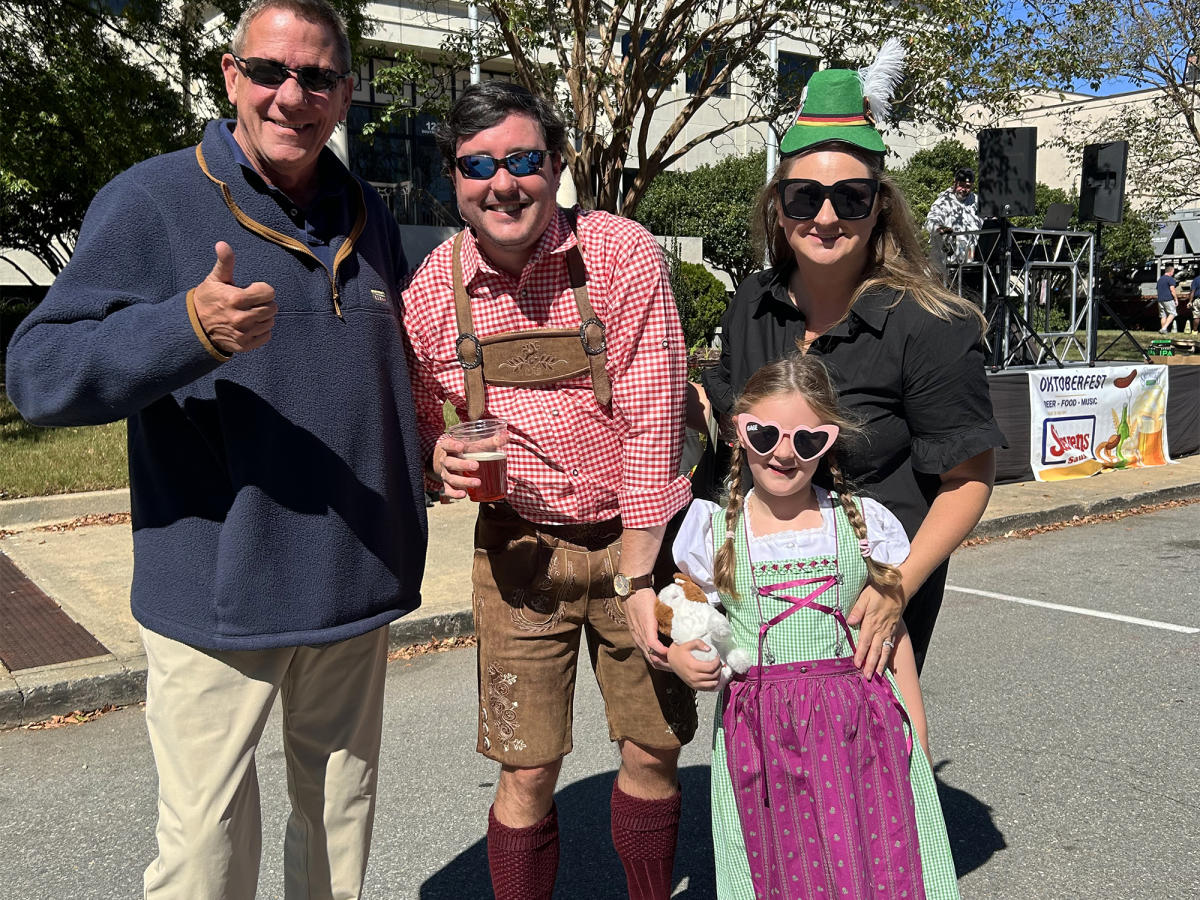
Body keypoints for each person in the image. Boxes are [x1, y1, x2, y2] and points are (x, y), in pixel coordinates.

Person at [4, 2, 426, 897]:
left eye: (316, 77)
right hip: (217, 600)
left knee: (337, 848)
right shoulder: (151, 199)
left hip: (355, 585)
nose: (290, 96)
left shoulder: (366, 212)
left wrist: (433, 459)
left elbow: (391, 378)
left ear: (344, 95)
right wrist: (182, 328)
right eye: (269, 71)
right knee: (204, 863)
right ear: (231, 76)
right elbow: (37, 374)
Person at [402, 81, 697, 900]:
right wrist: (437, 457)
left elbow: (652, 423)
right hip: (521, 552)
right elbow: (421, 415)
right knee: (526, 768)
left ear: (557, 166)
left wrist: (639, 577)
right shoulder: (431, 291)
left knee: (651, 746)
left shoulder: (621, 254)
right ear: (454, 179)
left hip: (639, 541)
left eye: (524, 159)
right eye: (478, 166)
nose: (503, 183)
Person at [700, 42, 1004, 675]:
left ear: (880, 207)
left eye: (852, 197)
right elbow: (730, 426)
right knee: (770, 756)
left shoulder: (931, 326)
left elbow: (968, 479)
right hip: (763, 593)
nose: (828, 216)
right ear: (777, 207)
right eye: (805, 197)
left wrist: (899, 585)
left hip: (874, 598)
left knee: (870, 759)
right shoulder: (751, 305)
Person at [667, 354, 956, 899]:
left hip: (861, 724)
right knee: (781, 865)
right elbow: (690, 615)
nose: (783, 453)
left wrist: (915, 731)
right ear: (737, 432)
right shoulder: (711, 529)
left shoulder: (865, 523)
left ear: (828, 442)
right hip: (760, 730)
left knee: (870, 859)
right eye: (765, 433)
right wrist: (684, 654)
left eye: (806, 441)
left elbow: (891, 637)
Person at [924, 166, 983, 272]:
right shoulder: (943, 202)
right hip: (945, 266)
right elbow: (930, 223)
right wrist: (940, 228)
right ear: (954, 182)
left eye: (968, 186)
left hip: (972, 264)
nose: (964, 189)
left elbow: (988, 219)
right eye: (961, 185)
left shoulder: (976, 201)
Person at [1156, 264, 1179, 333]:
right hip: (1168, 299)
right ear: (1170, 271)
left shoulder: (1160, 280)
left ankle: (1163, 330)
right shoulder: (1170, 279)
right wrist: (1176, 299)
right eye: (1173, 272)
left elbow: (1158, 289)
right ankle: (1164, 328)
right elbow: (1172, 290)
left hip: (1160, 299)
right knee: (1173, 313)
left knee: (1163, 315)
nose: (1173, 273)